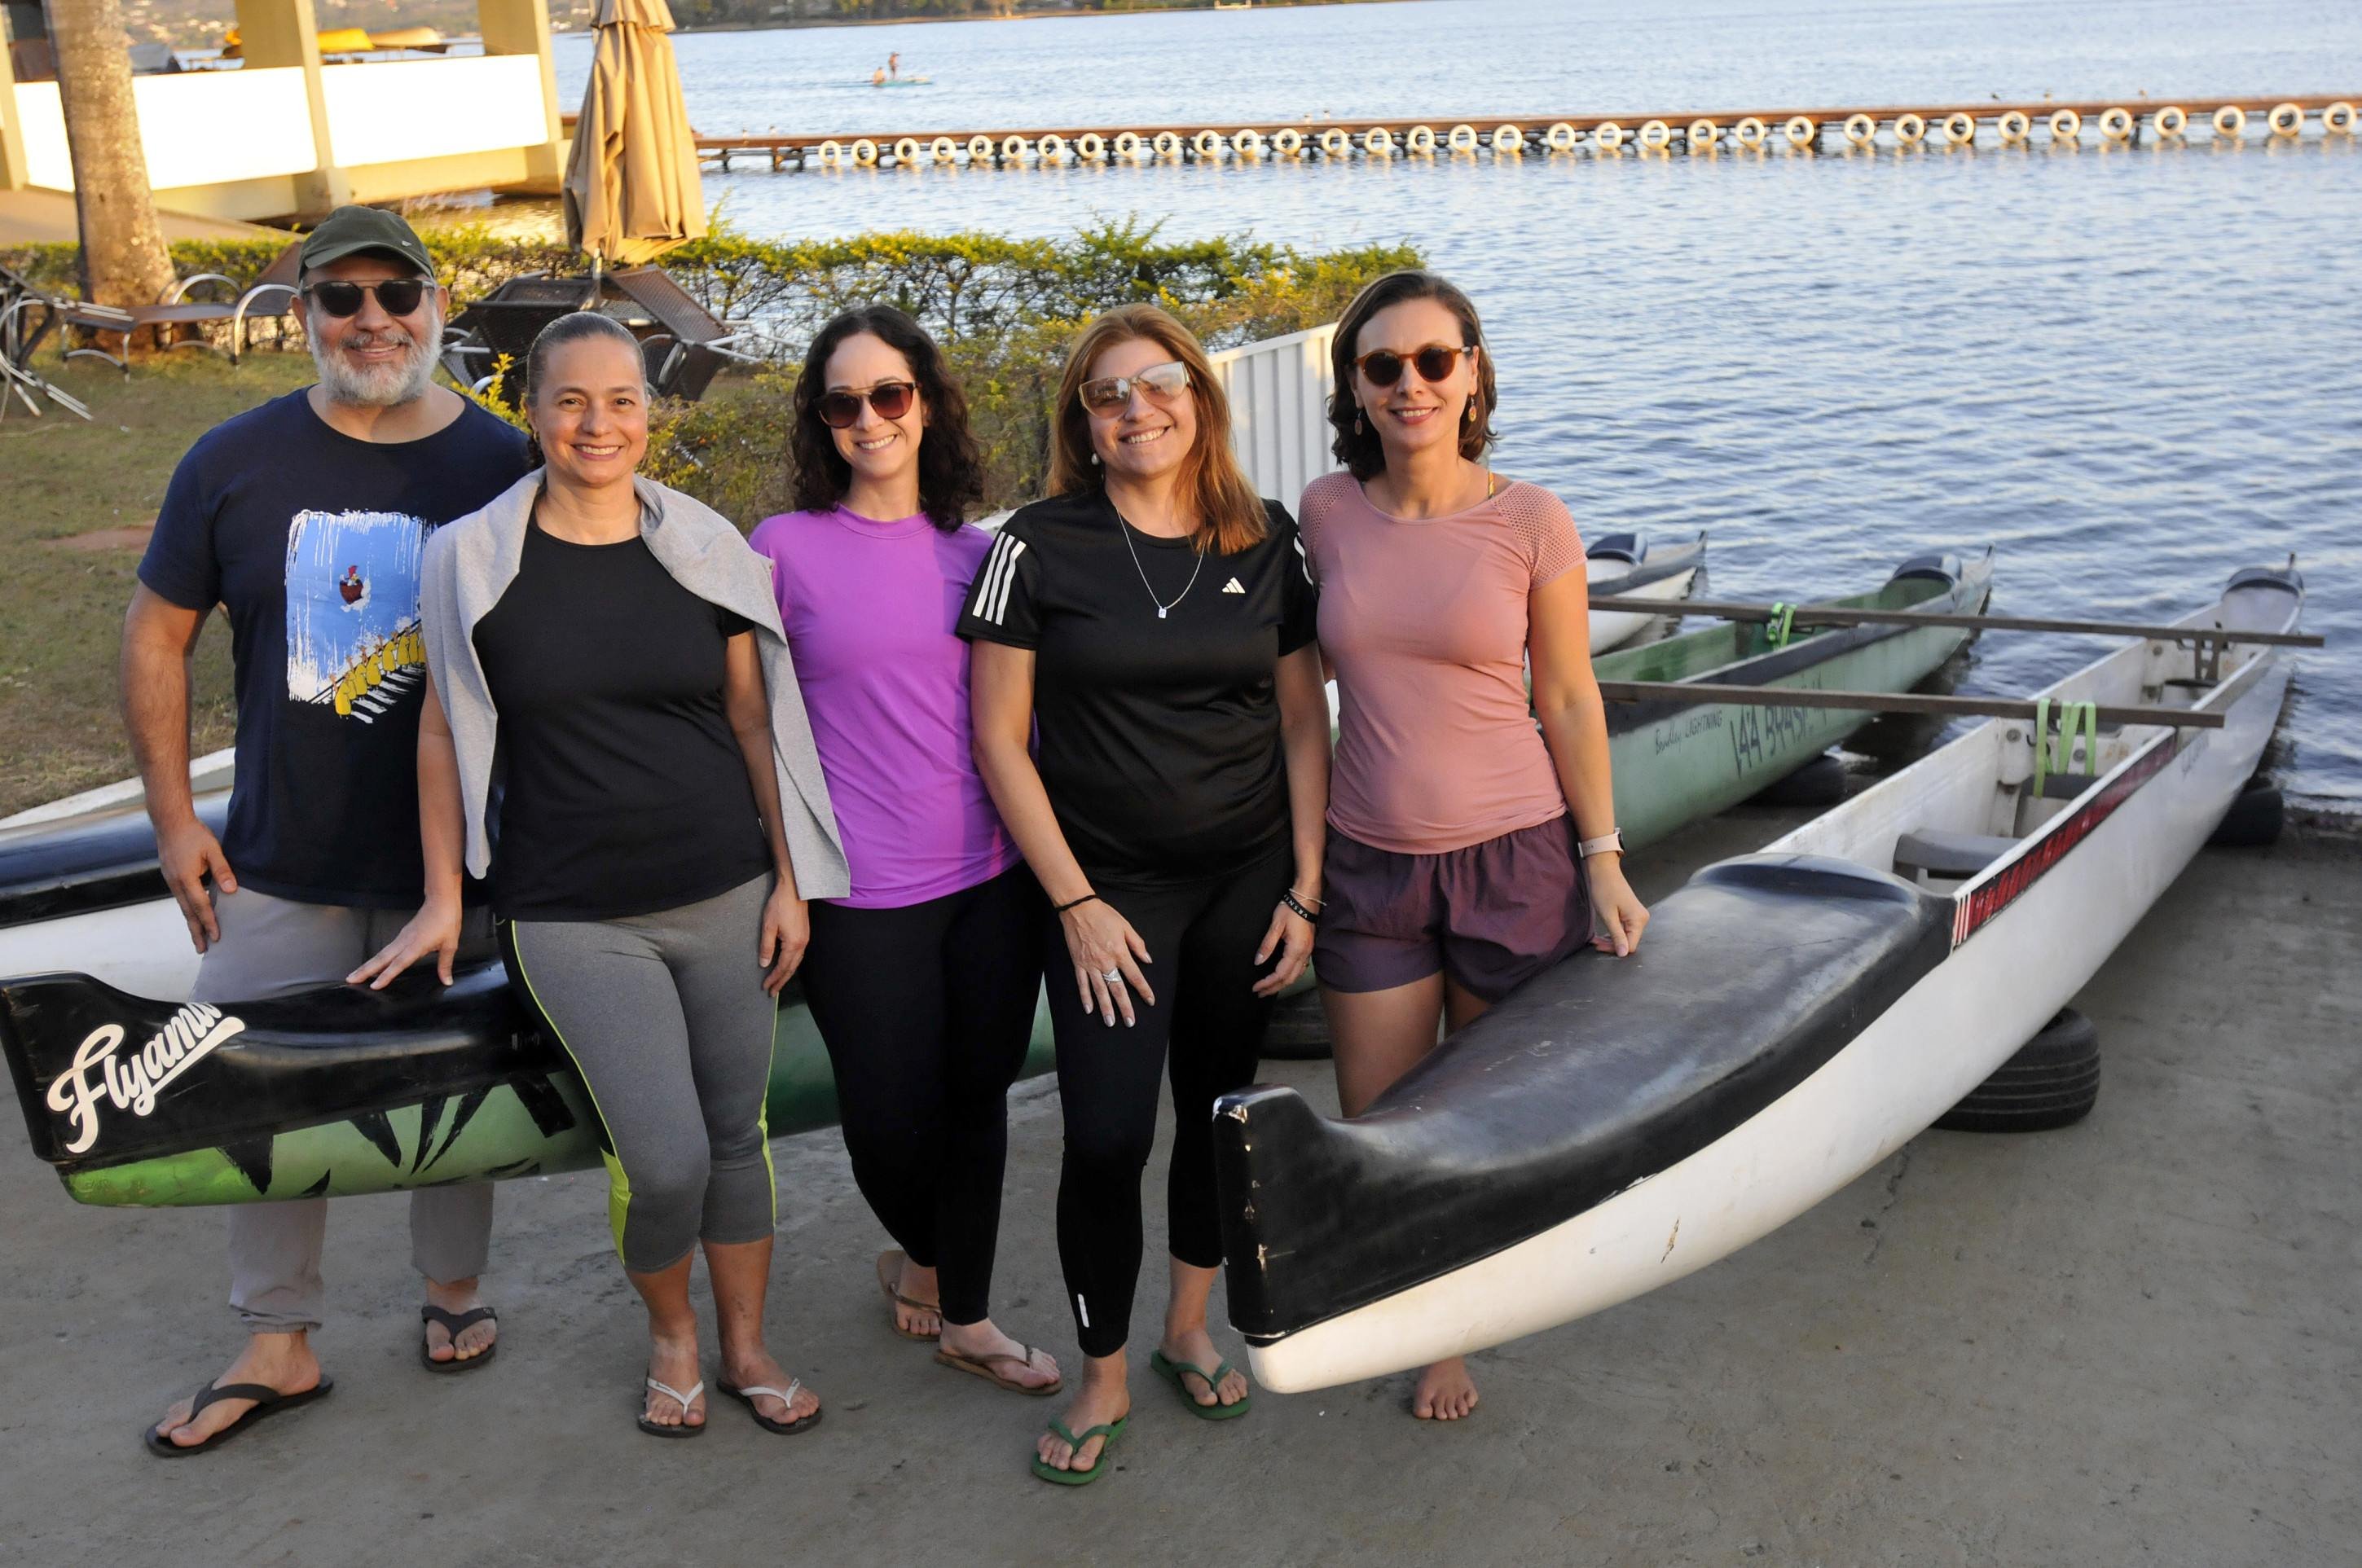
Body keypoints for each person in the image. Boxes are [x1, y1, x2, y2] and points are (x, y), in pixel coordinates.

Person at [352, 311, 849, 1438]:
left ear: (648, 413)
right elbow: (440, 728)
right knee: (665, 1158)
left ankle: (746, 1346)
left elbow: (754, 720)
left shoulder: (706, 545)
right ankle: (672, 1335)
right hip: (572, 912)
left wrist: (790, 878)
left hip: (726, 892)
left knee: (737, 1136)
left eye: (621, 400)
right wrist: (444, 895)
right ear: (531, 413)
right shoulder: (471, 556)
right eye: (571, 400)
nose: (598, 424)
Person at [125, 207, 530, 1457]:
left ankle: (452, 1286)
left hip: (455, 863)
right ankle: (276, 1336)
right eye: (340, 297)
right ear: (302, 315)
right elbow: (155, 635)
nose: (372, 320)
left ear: (436, 308)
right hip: (278, 857)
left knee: (451, 1080)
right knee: (253, 1089)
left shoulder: (505, 463)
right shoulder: (230, 461)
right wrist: (173, 820)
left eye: (396, 295)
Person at [961, 304, 1330, 1484]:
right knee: (1109, 1133)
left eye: (1161, 381)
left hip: (1246, 882)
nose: (1138, 408)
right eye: (1108, 393)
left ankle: (1187, 1326)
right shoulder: (1037, 544)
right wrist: (1074, 902)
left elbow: (1301, 722)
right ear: (1084, 421)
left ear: (1200, 397)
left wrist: (1306, 886)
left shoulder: (1265, 537)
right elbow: (999, 739)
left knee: (1218, 1118)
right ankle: (1103, 1367)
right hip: (1108, 895)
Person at [1300, 270, 1651, 1422]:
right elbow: (1303, 681)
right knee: (1384, 1124)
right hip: (1371, 863)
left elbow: (1570, 696)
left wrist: (1603, 857)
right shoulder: (1325, 512)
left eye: (1433, 361)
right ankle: (1415, 1299)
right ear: (1356, 388)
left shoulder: (1532, 520)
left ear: (1472, 375)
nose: (1410, 384)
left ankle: (1455, 1331)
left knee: (1492, 1120)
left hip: (1515, 858)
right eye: (1383, 365)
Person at [746, 306, 1058, 1396]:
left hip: (993, 881)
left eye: (890, 394)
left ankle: (967, 1313)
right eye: (845, 402)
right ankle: (924, 1254)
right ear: (821, 420)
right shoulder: (782, 551)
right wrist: (783, 876)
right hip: (856, 891)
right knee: (883, 1118)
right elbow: (748, 726)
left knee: (977, 1103)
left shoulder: (983, 555)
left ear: (926, 403)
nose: (870, 418)